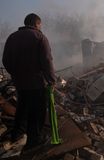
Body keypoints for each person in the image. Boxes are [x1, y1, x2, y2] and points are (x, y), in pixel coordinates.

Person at [2, 13, 56, 149]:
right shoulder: (40, 37)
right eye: (40, 25)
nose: (40, 27)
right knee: (37, 111)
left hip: (20, 83)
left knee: (22, 108)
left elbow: (5, 60)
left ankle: (16, 135)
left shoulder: (12, 37)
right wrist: (51, 80)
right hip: (37, 83)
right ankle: (34, 140)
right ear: (37, 24)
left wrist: (15, 75)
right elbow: (47, 61)